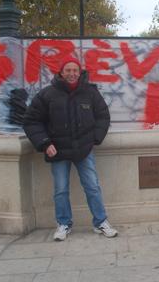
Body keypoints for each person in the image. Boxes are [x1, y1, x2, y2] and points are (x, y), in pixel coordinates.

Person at [24, 56, 118, 241]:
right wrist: (44, 143)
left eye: (75, 70)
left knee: (92, 187)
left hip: (84, 149)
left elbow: (102, 117)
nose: (72, 73)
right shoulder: (47, 94)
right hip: (57, 151)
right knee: (61, 190)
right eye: (68, 70)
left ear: (80, 72)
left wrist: (94, 139)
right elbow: (31, 121)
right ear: (61, 72)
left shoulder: (90, 92)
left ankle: (101, 222)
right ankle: (63, 224)